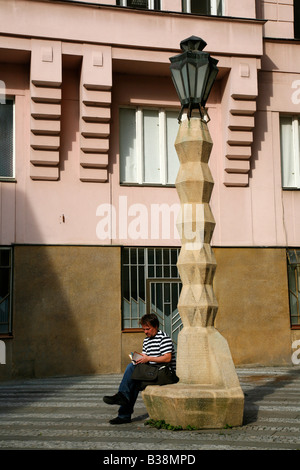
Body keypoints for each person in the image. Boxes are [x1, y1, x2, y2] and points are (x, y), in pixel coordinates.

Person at [103, 313, 177, 425]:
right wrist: (138, 359)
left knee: (131, 370)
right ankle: (123, 411)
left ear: (156, 326)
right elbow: (145, 357)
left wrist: (148, 358)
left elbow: (167, 358)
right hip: (151, 370)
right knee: (133, 377)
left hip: (163, 372)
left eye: (148, 329)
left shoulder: (164, 338)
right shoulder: (146, 340)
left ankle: (123, 409)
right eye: (144, 329)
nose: (146, 332)